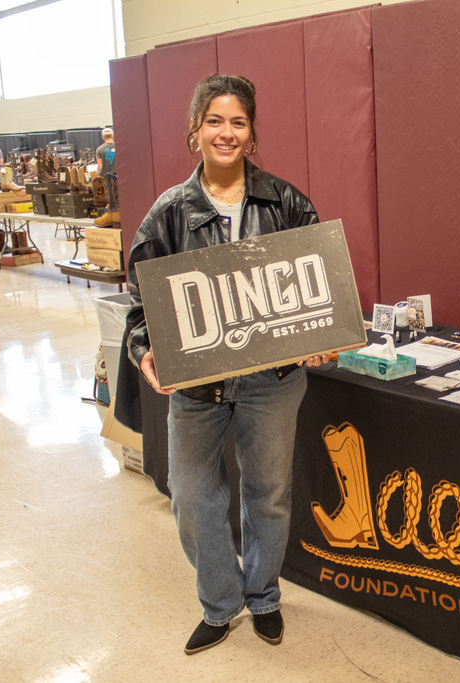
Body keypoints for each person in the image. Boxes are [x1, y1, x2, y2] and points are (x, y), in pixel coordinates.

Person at [124, 73, 330, 655]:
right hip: (198, 384)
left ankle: (263, 596)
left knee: (268, 492)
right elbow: (140, 304)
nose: (226, 132)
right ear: (195, 131)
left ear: (252, 132)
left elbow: (317, 289)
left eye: (238, 121)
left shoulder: (287, 203)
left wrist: (321, 334)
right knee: (193, 497)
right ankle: (221, 603)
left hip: (274, 380)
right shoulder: (168, 213)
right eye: (214, 120)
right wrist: (145, 354)